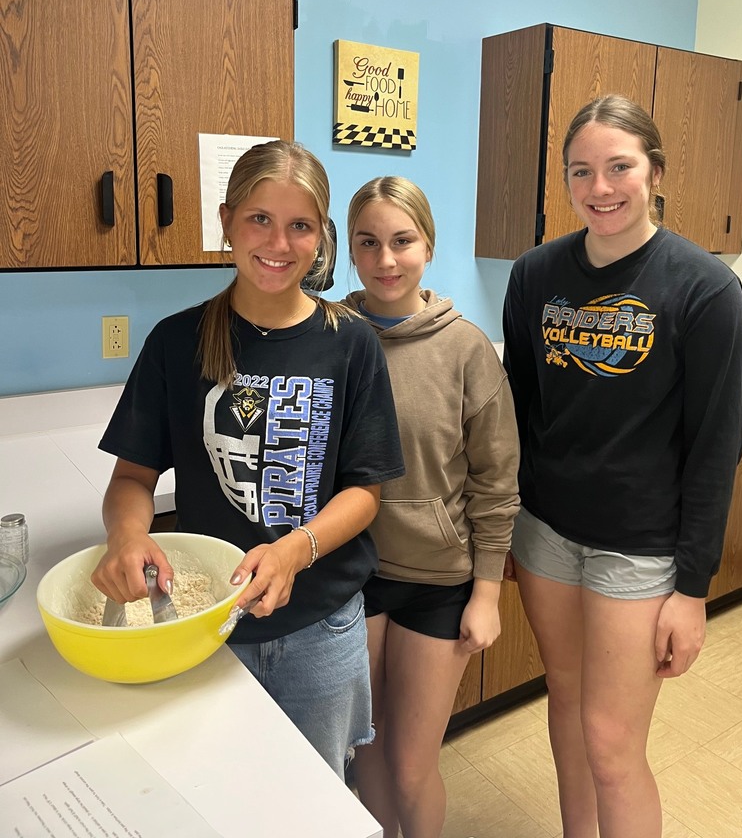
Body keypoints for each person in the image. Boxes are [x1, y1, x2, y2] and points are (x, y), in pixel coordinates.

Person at [91, 140, 405, 778]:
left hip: (322, 626)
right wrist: (126, 536)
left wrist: (296, 548)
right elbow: (131, 476)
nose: (278, 243)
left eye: (300, 226)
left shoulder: (352, 345)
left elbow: (366, 491)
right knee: (218, 790)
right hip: (208, 624)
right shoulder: (177, 341)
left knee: (314, 797)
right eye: (260, 218)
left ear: (321, 238)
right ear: (227, 220)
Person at [502, 94, 742, 838]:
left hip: (639, 549)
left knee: (613, 743)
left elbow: (717, 447)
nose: (600, 187)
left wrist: (692, 589)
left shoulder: (705, 289)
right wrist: (506, 529)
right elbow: (523, 409)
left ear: (655, 172)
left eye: (620, 167)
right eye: (582, 171)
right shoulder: (535, 274)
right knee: (567, 704)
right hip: (546, 533)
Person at [344, 176, 520, 838]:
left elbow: (496, 479)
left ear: (429, 245)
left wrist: (486, 593)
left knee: (412, 765)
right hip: (352, 577)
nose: (386, 260)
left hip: (439, 582)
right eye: (369, 243)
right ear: (350, 251)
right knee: (366, 754)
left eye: (402, 241)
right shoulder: (331, 337)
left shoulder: (465, 348)